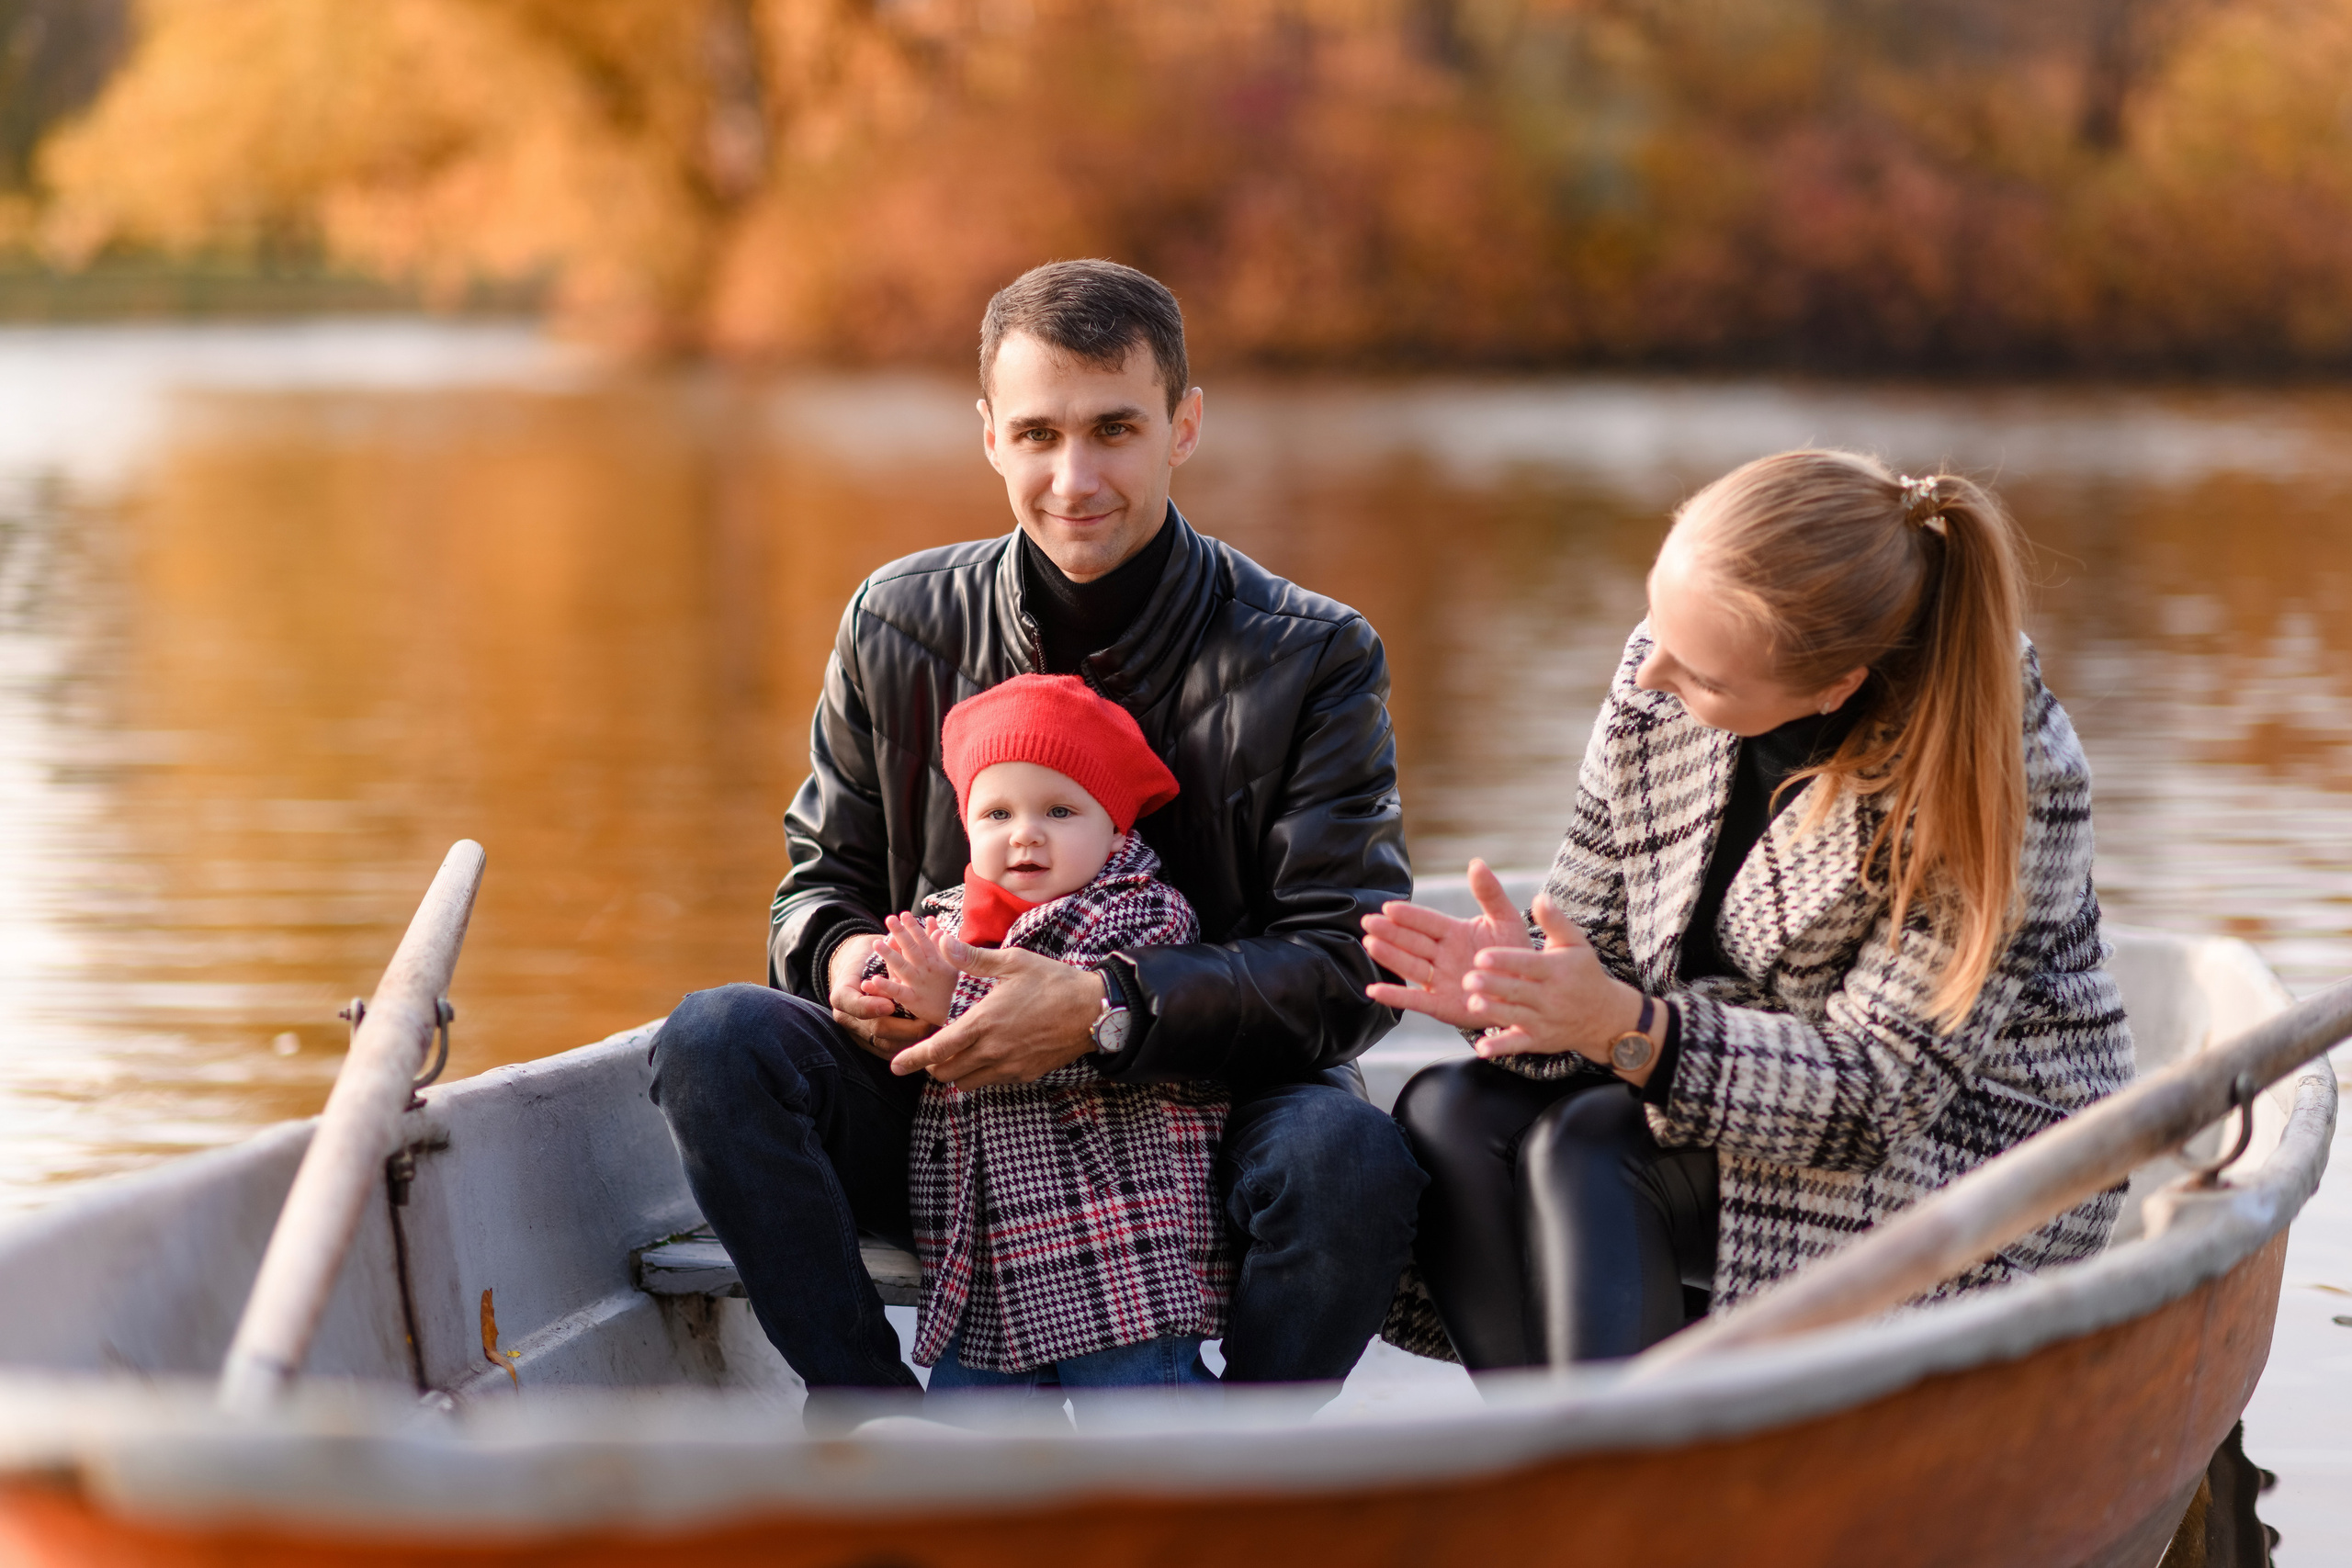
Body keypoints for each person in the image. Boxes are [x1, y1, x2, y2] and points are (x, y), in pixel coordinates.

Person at [647, 259, 1424, 1403]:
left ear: (1183, 425)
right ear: (989, 437)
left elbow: (1345, 971)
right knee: (715, 1042)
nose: (1075, 477)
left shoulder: (1311, 654)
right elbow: (819, 892)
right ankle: (869, 1423)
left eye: (1114, 428)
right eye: (1038, 433)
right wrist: (854, 966)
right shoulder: (896, 621)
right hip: (940, 1113)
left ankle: (1239, 1482)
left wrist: (1110, 1008)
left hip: (1199, 1122)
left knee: (1350, 1159)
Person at [1363, 449, 2133, 1370]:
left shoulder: (2003, 769)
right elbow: (1596, 944)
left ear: (1833, 687)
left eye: (1704, 681)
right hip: (1729, 1079)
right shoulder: (1672, 658)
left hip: (1972, 1144)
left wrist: (1625, 1027)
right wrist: (1519, 988)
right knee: (1451, 1111)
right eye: (1657, 625)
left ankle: (1618, 1481)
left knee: (1595, 1144)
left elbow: (1878, 1096)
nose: (1651, 679)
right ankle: (1575, 1475)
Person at [861, 673, 1227, 1405]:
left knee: (1148, 1425)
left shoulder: (1141, 918)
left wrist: (950, 1001)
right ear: (968, 825)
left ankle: (1214, 1499)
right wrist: (886, 989)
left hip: (1116, 1245)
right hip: (984, 1254)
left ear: (1116, 828)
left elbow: (1076, 1039)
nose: (1024, 833)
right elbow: (893, 995)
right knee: (972, 1455)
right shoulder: (947, 921)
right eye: (997, 812)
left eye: (1059, 810)